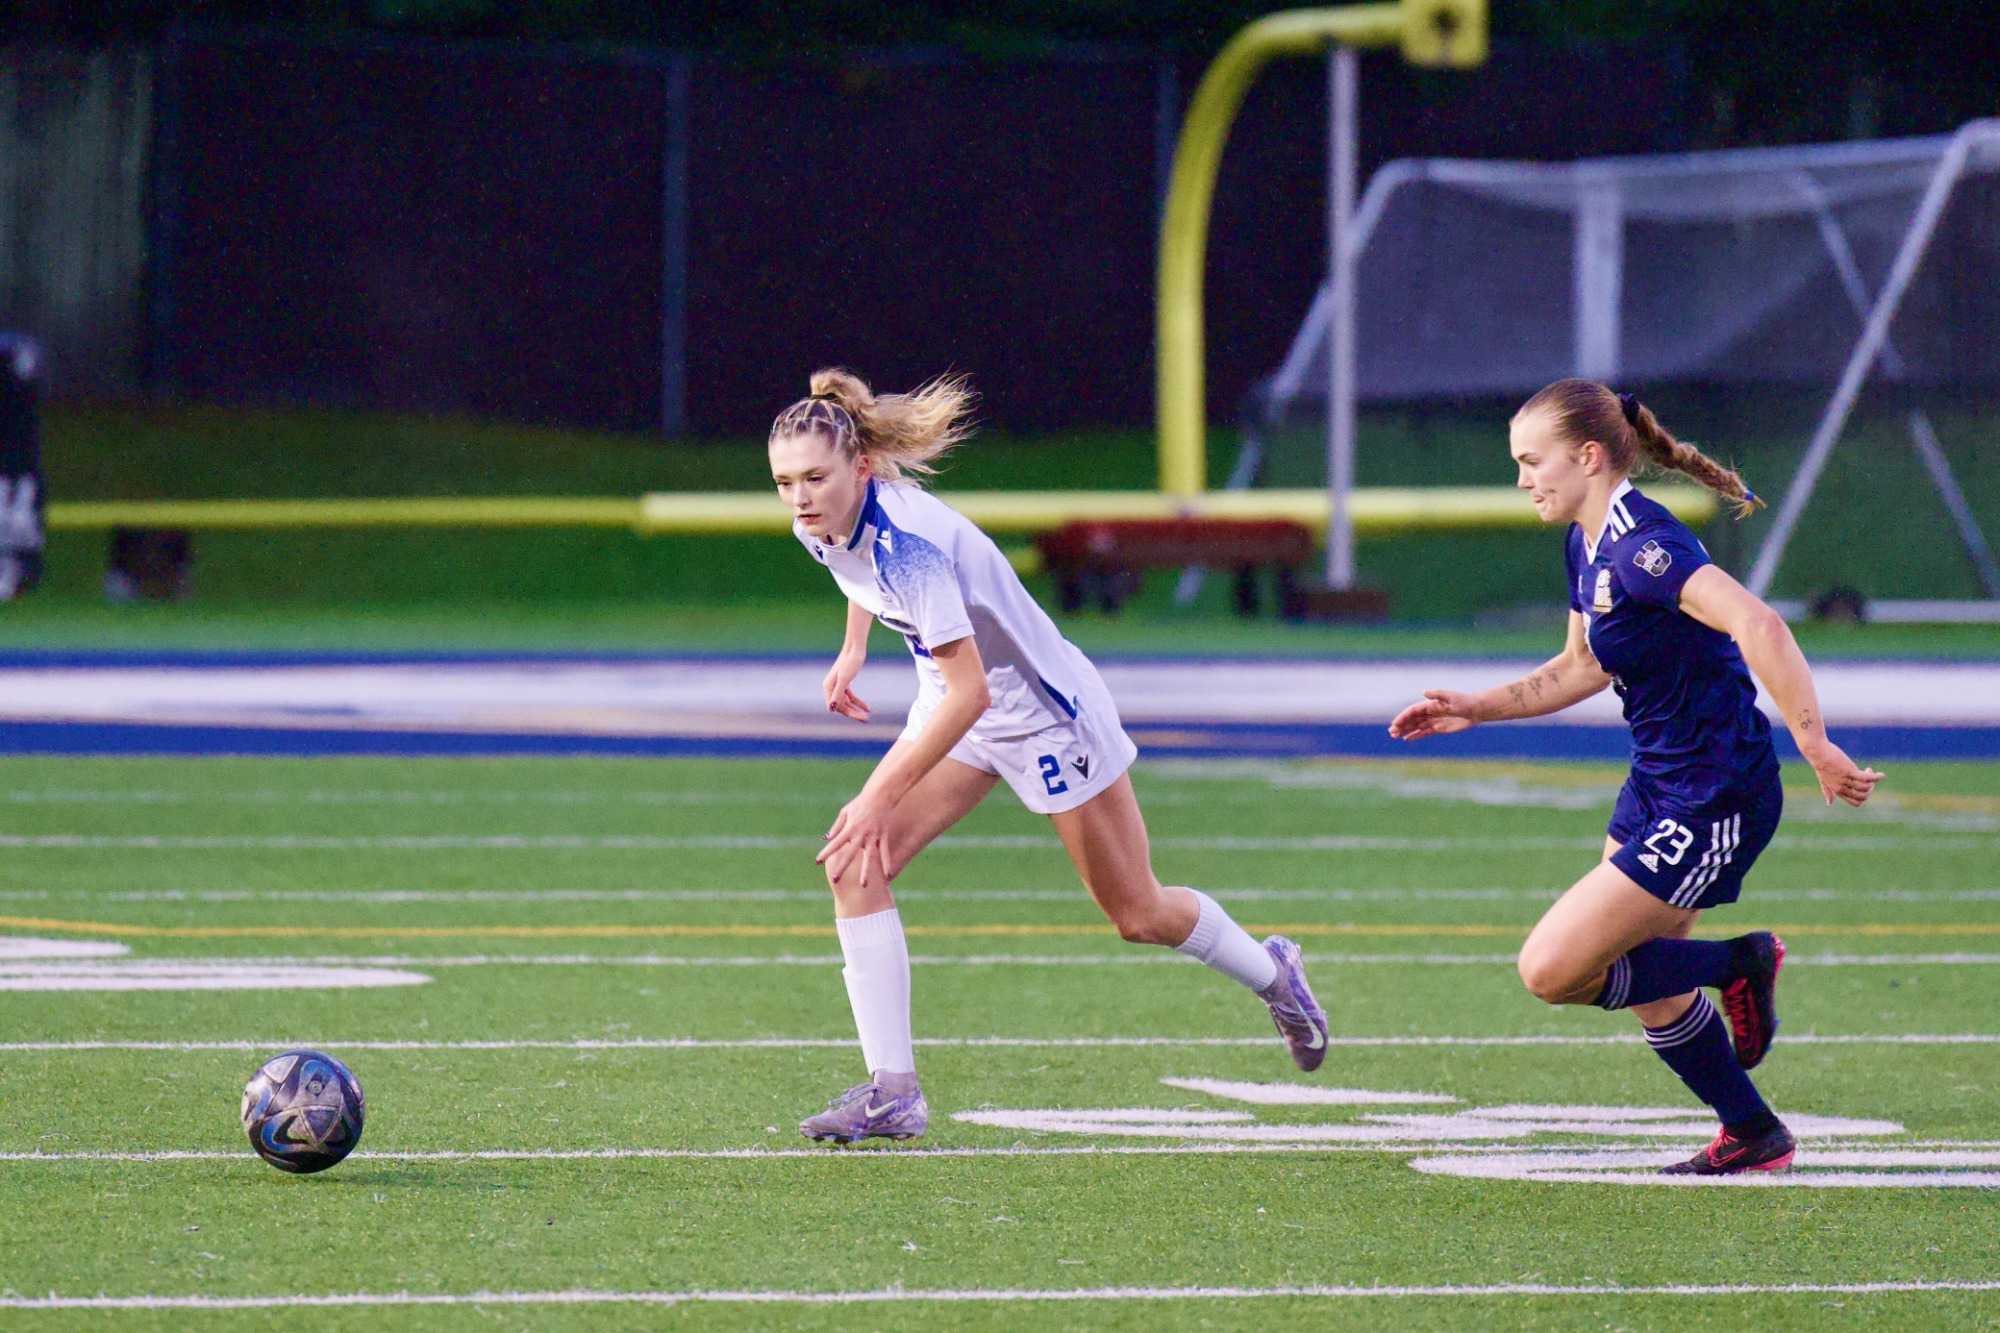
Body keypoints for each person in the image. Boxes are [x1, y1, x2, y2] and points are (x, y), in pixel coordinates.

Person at [768, 368, 1329, 1145]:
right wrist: (853, 647)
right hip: (961, 697)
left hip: (1042, 710)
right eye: (785, 481)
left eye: (813, 477)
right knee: (853, 863)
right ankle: (893, 1091)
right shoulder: (821, 519)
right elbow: (859, 573)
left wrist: (873, 794)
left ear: (860, 466)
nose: (798, 496)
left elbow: (973, 693)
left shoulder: (912, 547)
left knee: (1138, 912)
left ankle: (1276, 974)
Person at [1388, 379, 1883, 1176]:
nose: (1522, 479)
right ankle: (1754, 1132)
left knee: (1551, 969)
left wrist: (1815, 743)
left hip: (1719, 788)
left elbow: (1758, 622)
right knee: (1644, 977)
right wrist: (1476, 707)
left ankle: (1741, 962)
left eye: (1530, 460)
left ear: (1587, 456)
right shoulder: (1584, 542)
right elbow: (1582, 664)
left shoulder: (1643, 546)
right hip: (1658, 781)